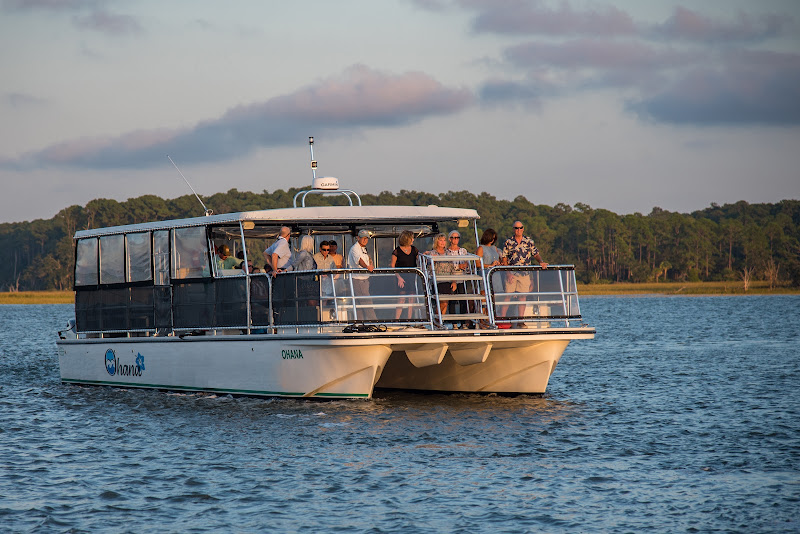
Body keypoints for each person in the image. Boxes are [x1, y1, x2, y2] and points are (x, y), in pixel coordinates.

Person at [500, 221, 548, 319]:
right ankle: (502, 319)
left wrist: (541, 262)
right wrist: (508, 273)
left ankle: (521, 320)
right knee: (507, 296)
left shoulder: (529, 241)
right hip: (512, 273)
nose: (518, 230)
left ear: (523, 229)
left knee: (523, 297)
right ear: (513, 229)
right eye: (516, 228)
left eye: (520, 228)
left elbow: (536, 254)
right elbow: (504, 258)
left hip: (525, 273)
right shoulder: (508, 242)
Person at [390, 230, 419, 320]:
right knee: (401, 299)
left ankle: (409, 320)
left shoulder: (414, 249)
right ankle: (396, 320)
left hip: (412, 277)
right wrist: (399, 277)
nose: (413, 240)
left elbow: (420, 260)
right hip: (401, 278)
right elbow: (392, 266)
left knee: (411, 300)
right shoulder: (397, 251)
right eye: (412, 238)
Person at [347, 229, 376, 320]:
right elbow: (359, 261)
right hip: (358, 279)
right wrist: (367, 267)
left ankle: (360, 323)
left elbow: (368, 258)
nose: (365, 240)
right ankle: (374, 322)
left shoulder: (363, 248)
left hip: (364, 279)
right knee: (367, 302)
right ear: (358, 238)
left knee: (360, 304)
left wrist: (371, 263)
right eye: (363, 238)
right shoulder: (355, 248)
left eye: (367, 238)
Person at [426, 233, 456, 322]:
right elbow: (428, 269)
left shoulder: (448, 253)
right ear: (436, 241)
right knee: (442, 302)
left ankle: (440, 321)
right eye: (440, 240)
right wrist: (433, 262)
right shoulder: (432, 253)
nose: (443, 242)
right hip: (438, 280)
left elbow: (452, 267)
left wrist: (454, 281)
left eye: (444, 240)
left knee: (445, 303)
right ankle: (437, 321)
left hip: (447, 280)